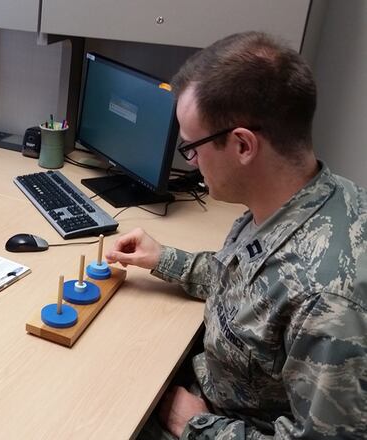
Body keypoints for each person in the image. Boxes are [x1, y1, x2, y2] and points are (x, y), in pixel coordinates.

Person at [106, 32, 366, 439]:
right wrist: (165, 258)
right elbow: (252, 287)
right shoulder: (303, 197)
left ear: (244, 145)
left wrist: (194, 424)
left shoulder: (327, 302)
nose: (189, 161)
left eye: (191, 147)